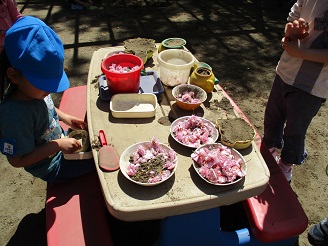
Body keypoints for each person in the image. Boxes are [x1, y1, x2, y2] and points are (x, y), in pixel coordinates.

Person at [0, 16, 95, 183]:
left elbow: (46, 107)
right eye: (44, 84)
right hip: (52, 165)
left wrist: (66, 118)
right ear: (13, 75)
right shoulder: (14, 116)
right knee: (99, 162)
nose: (50, 90)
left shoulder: (33, 91)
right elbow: (16, 160)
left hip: (58, 141)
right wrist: (57, 145)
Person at [263, 0, 328, 182]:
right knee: (272, 116)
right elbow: (290, 24)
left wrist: (299, 52)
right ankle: (269, 149)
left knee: (295, 129)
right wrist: (292, 33)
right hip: (286, 71)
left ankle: (286, 164)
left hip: (312, 87)